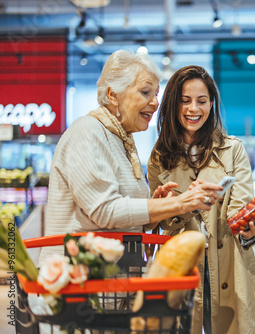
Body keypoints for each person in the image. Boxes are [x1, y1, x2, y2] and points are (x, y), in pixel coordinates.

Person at [39, 51, 222, 264]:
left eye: (156, 94)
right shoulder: (88, 131)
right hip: (78, 281)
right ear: (114, 95)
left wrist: (156, 206)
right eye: (145, 92)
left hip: (114, 280)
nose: (155, 103)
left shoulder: (121, 139)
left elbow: (126, 220)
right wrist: (181, 203)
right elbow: (105, 211)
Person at [147, 65, 255, 334]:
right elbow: (166, 227)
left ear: (211, 104)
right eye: (185, 101)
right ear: (172, 105)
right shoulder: (159, 158)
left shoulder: (233, 150)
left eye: (202, 101)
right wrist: (167, 207)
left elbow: (239, 213)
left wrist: (250, 231)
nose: (194, 109)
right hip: (183, 268)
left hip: (229, 266)